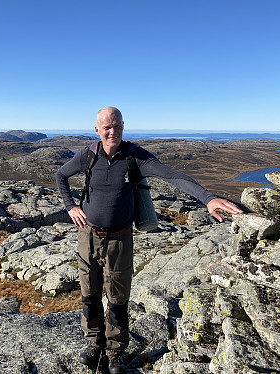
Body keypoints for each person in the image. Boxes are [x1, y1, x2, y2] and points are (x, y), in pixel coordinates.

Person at [55, 107, 243, 373]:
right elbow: (60, 175)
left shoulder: (135, 157)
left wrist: (207, 197)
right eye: (107, 127)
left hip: (120, 238)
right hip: (88, 236)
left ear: (123, 126)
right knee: (89, 293)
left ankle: (115, 352)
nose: (113, 132)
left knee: (118, 299)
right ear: (97, 130)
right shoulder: (88, 155)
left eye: (117, 126)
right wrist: (70, 206)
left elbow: (172, 175)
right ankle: (94, 343)